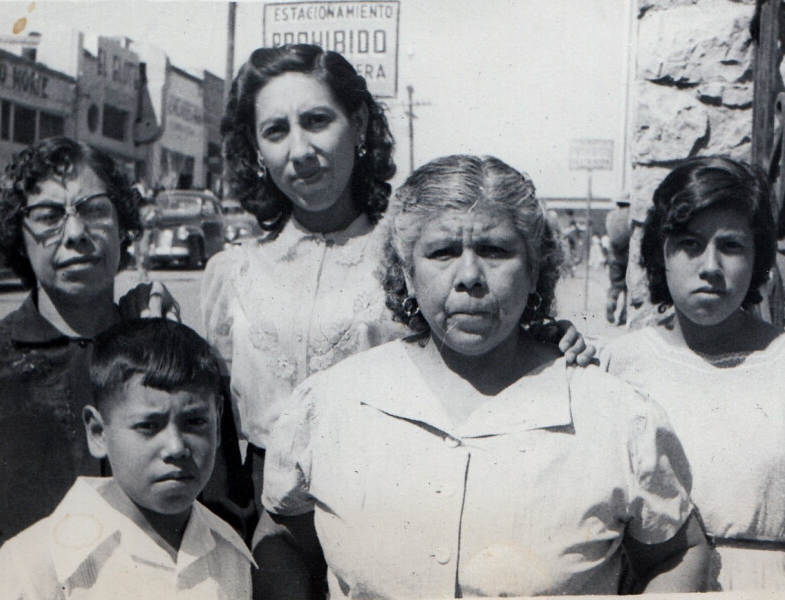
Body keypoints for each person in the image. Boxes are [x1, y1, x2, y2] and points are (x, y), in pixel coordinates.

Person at [255, 155, 709, 599]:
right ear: (407, 273)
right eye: (442, 252)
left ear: (534, 270)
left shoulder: (614, 415)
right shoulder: (333, 403)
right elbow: (283, 540)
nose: (469, 276)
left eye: (495, 251)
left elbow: (676, 552)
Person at [202, 45, 590, 506]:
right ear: (257, 148)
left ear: (359, 124)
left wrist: (551, 338)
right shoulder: (233, 273)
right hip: (266, 512)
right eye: (276, 131)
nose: (300, 150)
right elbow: (215, 422)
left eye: (317, 121)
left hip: (396, 493)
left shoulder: (417, 257)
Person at [0, 137, 211, 599]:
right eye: (48, 216)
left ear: (124, 224)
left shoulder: (167, 352)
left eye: (93, 209)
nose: (74, 233)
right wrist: (16, 587)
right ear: (18, 235)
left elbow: (227, 513)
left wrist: (158, 347)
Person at [597, 156, 785, 591]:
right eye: (689, 244)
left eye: (731, 246)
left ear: (758, 255)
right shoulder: (615, 364)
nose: (710, 266)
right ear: (660, 253)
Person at [0, 319, 253, 600]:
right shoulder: (43, 560)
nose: (176, 447)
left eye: (195, 422)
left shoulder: (230, 552)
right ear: (98, 432)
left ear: (218, 417)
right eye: (148, 426)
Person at [605, 199, 632, 325]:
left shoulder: (611, 216)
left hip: (614, 255)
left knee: (615, 285)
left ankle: (611, 303)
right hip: (629, 255)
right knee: (629, 288)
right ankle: (624, 315)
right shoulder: (631, 215)